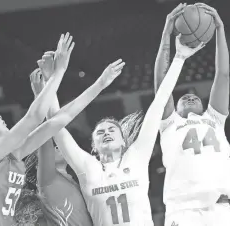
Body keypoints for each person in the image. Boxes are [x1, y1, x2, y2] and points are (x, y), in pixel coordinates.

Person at [0, 32, 123, 226]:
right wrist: (58, 72)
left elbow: (58, 120)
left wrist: (100, 84)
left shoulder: (12, 155)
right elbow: (33, 117)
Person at [44, 36, 203, 225]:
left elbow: (159, 101)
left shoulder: (136, 157)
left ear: (123, 142)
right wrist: (50, 80)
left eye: (112, 130)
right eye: (100, 132)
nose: (107, 133)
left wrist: (179, 58)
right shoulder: (88, 167)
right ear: (93, 146)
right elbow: (55, 126)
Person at [15, 50, 125, 226]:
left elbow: (57, 127)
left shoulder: (77, 179)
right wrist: (41, 94)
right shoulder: (47, 181)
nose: (56, 148)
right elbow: (48, 131)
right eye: (53, 148)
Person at [154, 3, 230, 226]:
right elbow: (162, 83)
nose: (189, 97)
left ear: (204, 106)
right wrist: (166, 34)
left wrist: (220, 29)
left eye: (194, 97)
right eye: (183, 98)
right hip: (184, 211)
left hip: (221, 210)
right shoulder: (169, 123)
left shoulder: (214, 119)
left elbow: (223, 75)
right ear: (176, 108)